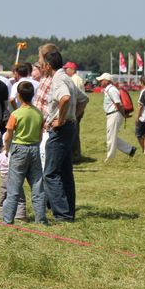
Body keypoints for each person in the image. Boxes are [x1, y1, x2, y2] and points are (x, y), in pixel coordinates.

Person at [40, 48, 88, 222]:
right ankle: (68, 213)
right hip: (70, 128)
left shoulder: (58, 80)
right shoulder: (67, 77)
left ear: (47, 65)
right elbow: (84, 99)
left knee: (51, 173)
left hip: (60, 130)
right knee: (65, 172)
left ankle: (62, 215)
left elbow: (65, 98)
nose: (40, 67)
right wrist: (73, 116)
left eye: (41, 64)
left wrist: (60, 120)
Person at [1, 81, 46, 225]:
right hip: (34, 148)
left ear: (19, 96)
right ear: (32, 95)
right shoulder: (38, 113)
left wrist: (7, 150)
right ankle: (41, 219)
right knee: (37, 186)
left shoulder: (15, 114)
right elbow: (40, 136)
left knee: (14, 187)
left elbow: (8, 136)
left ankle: (8, 219)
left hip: (19, 149)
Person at [97, 73, 135, 161]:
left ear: (107, 81)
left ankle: (110, 158)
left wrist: (123, 114)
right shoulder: (109, 89)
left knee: (110, 138)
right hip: (112, 114)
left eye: (101, 80)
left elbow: (118, 104)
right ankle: (130, 150)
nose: (100, 82)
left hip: (114, 114)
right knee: (112, 137)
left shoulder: (112, 90)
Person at [64, 61, 86, 162]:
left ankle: (75, 154)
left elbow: (76, 96)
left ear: (72, 70)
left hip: (76, 109)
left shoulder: (75, 79)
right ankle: (75, 153)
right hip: (77, 109)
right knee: (74, 131)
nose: (65, 70)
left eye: (66, 68)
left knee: (74, 132)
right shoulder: (75, 78)